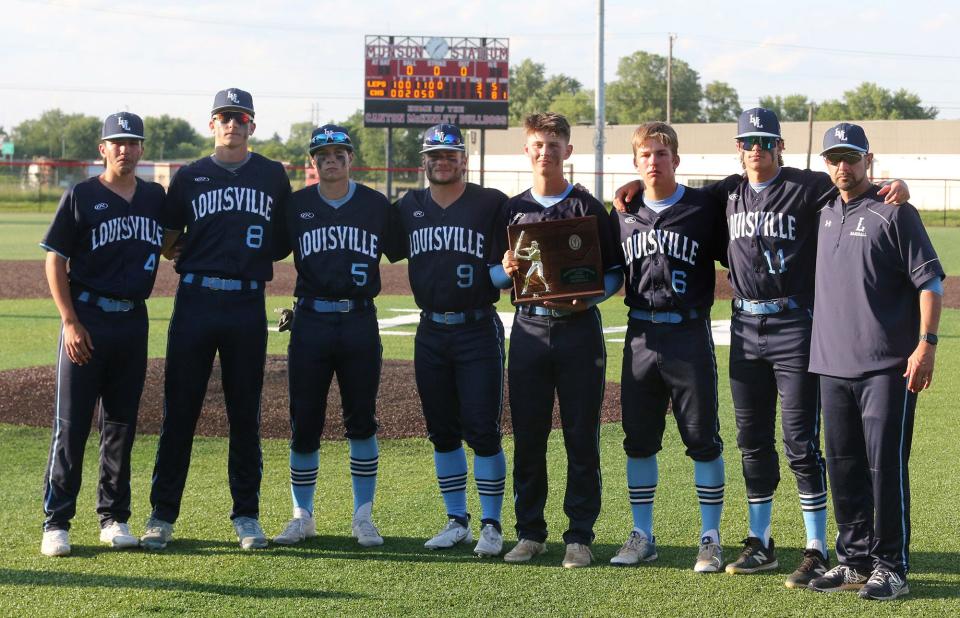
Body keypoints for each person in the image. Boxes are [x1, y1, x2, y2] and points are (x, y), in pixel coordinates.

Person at [614, 108, 909, 587]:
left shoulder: (806, 185)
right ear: (737, 148)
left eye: (765, 141)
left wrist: (893, 188)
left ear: (780, 146)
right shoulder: (724, 193)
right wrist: (630, 189)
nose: (756, 149)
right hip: (745, 326)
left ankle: (815, 546)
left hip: (794, 322)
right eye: (748, 141)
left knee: (799, 441)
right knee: (751, 440)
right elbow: (670, 196)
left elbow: (851, 184)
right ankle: (761, 540)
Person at [141, 88, 292, 551]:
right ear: (211, 124)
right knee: (179, 413)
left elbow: (283, 237)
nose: (232, 124)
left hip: (247, 303)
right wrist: (186, 252)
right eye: (223, 117)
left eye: (240, 117)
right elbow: (167, 236)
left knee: (245, 414)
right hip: (196, 302)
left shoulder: (271, 174)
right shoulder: (190, 176)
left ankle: (246, 515)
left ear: (251, 124)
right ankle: (162, 515)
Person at [806, 123, 943, 601]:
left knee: (885, 466)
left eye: (852, 157)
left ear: (869, 159)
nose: (843, 167)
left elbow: (930, 283)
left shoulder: (895, 212)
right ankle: (854, 560)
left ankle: (892, 565)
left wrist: (926, 344)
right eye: (834, 158)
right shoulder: (820, 210)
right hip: (830, 362)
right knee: (843, 467)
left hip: (887, 366)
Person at [497, 112, 621, 568]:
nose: (545, 151)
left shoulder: (588, 207)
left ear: (568, 151)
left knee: (580, 436)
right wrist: (505, 268)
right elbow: (496, 274)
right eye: (537, 144)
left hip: (577, 331)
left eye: (554, 144)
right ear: (526, 151)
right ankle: (530, 532)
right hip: (529, 328)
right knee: (528, 436)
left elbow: (613, 274)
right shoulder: (511, 209)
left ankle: (579, 536)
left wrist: (588, 302)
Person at [38, 113, 166, 556]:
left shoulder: (154, 197)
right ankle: (56, 522)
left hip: (133, 320)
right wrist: (70, 321)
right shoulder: (82, 195)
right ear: (103, 149)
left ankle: (113, 518)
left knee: (120, 425)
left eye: (133, 143)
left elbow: (169, 242)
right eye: (117, 143)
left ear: (142, 149)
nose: (125, 150)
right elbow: (55, 260)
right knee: (71, 426)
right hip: (88, 317)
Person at [606, 122, 727, 573]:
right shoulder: (621, 211)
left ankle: (710, 537)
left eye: (661, 153)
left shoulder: (703, 206)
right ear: (635, 162)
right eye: (645, 155)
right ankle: (643, 533)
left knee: (702, 440)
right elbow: (610, 270)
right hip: (640, 335)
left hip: (689, 334)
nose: (654, 161)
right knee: (638, 441)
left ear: (677, 158)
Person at [389, 124, 510, 557]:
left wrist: (507, 272)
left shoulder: (491, 203)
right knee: (442, 431)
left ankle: (492, 524)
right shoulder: (409, 206)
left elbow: (510, 260)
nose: (442, 162)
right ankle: (456, 519)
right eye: (434, 156)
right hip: (430, 330)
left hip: (477, 327)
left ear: (464, 159)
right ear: (424, 162)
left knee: (482, 430)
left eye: (450, 155)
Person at [270, 125, 390, 547]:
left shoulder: (376, 204)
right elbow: (266, 248)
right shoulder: (296, 205)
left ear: (351, 159)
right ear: (313, 162)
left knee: (361, 420)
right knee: (305, 421)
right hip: (311, 322)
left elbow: (412, 247)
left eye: (339, 153)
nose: (331, 160)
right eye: (323, 154)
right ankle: (302, 515)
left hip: (359, 320)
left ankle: (363, 516)